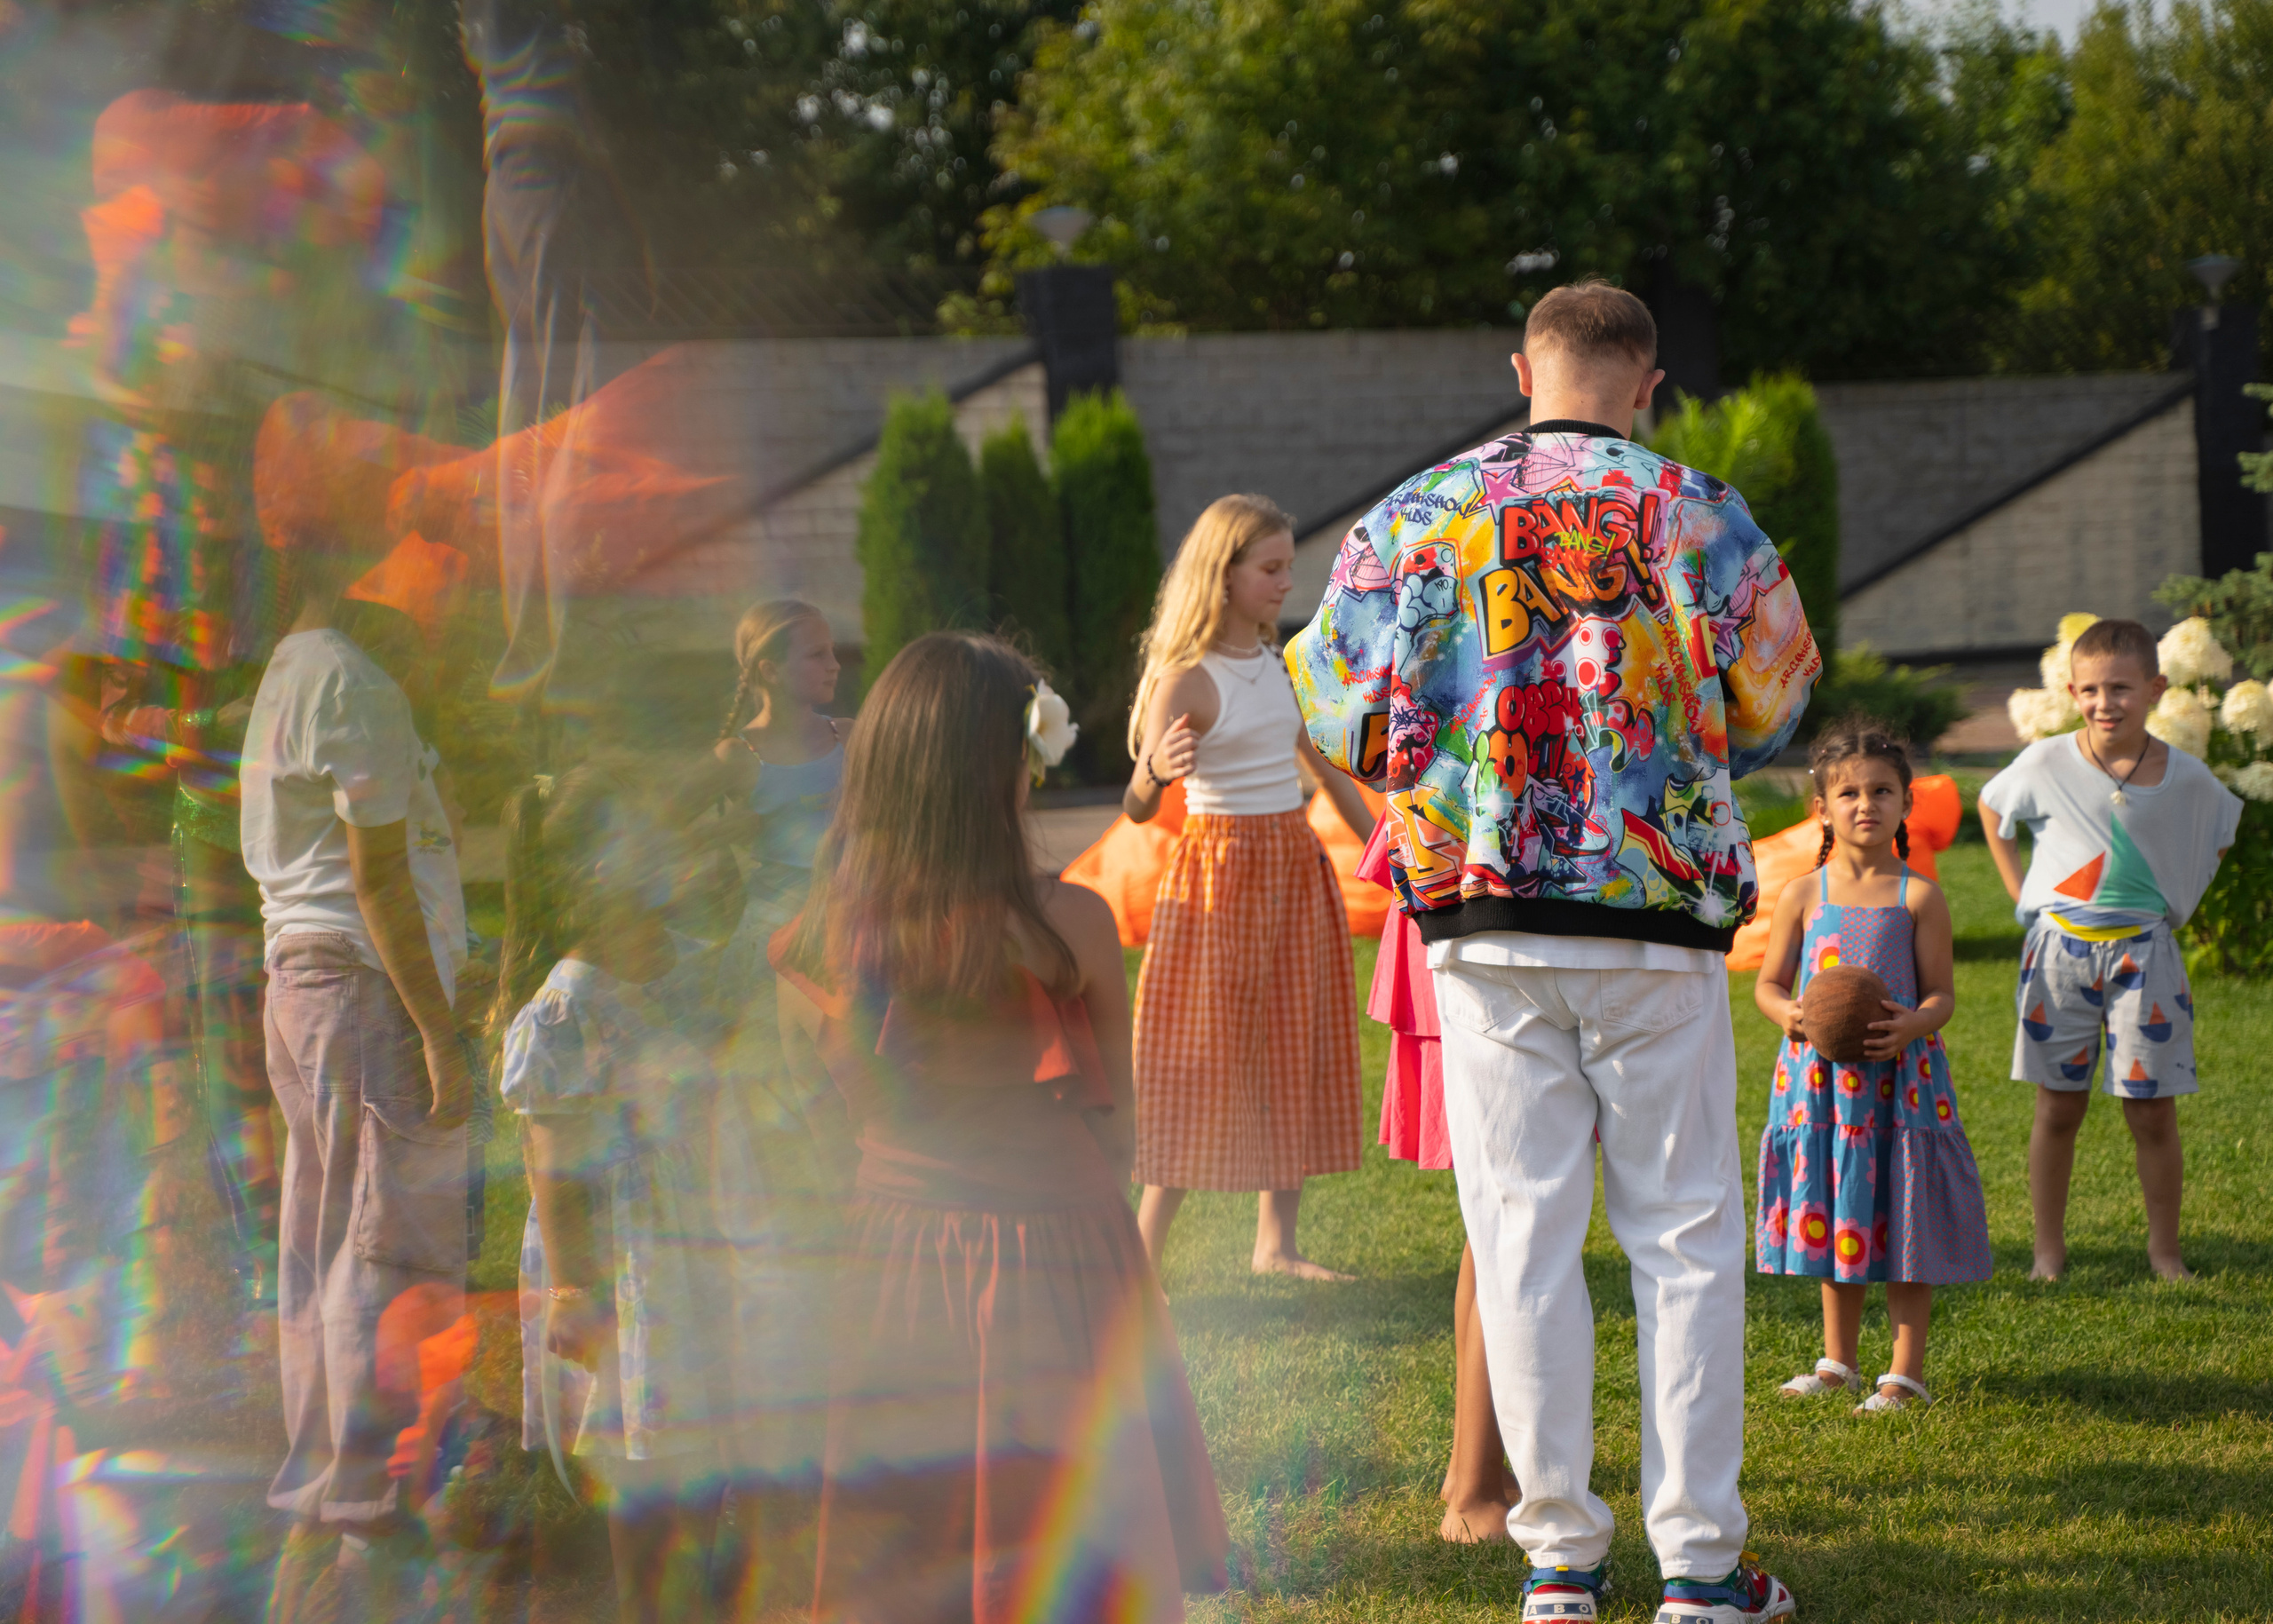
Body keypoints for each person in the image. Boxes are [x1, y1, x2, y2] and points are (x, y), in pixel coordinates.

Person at [1287, 278, 1819, 1623]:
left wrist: (1440, 746)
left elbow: (1337, 698)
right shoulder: (1702, 512)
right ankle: (1701, 1568)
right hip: (1652, 910)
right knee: (1686, 1237)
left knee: (1521, 1236)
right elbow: (1776, 693)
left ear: (1521, 368)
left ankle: (1559, 1563)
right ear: (1648, 383)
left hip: (1481, 908)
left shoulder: (1416, 511)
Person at [772, 632, 1229, 1623]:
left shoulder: (818, 937)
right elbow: (1120, 1123)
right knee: (1068, 1540)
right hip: (1061, 1255)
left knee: (911, 1529)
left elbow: (820, 1117)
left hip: (891, 1256)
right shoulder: (1072, 924)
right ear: (1005, 769)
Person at [239, 544, 478, 1619]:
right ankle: (368, 1507)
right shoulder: (355, 683)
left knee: (325, 1234)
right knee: (378, 1243)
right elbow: (378, 881)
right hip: (361, 988)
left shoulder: (294, 670)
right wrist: (440, 1028)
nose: (444, 622)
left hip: (304, 978)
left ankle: (327, 1482)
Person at [492, 764, 733, 1624]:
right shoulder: (569, 1005)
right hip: (627, 1261)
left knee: (702, 1460)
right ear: (597, 873)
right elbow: (554, 1171)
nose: (669, 846)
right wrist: (572, 1289)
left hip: (692, 1238)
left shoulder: (682, 963)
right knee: (642, 1471)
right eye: (648, 836)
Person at [1123, 494, 1374, 1281]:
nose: (1283, 583)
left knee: (1291, 1041)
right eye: (1269, 569)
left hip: (1295, 869)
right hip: (1219, 878)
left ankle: (1276, 1245)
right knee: (1203, 1060)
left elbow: (1325, 772)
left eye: (1286, 567)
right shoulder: (1186, 680)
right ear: (1221, 574)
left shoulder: (1278, 662)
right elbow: (1135, 805)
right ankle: (1141, 1259)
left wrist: (1386, 853)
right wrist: (1154, 770)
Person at [1979, 617, 2241, 1282]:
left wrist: (2178, 896)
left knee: (2151, 1109)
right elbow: (1992, 808)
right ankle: (2047, 1251)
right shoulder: (2045, 762)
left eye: (2121, 688)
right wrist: (2023, 894)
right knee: (2057, 1105)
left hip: (2145, 957)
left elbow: (2218, 829)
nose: (2105, 703)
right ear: (2072, 690)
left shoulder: (2185, 775)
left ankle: (2165, 1251)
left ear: (2154, 688)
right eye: (2091, 689)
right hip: (2059, 955)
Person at [1753, 720, 1992, 1413]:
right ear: (1819, 807)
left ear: (1906, 802)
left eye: (1882, 790)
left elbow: (1941, 994)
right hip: (1821, 1093)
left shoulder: (1918, 896)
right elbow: (1769, 985)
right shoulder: (1803, 893)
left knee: (1902, 1211)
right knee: (1840, 1211)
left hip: (1900, 1089)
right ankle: (1838, 1362)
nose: (1866, 803)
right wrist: (1790, 1015)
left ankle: (1904, 1372)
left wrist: (1913, 1023)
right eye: (1849, 792)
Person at [1357, 817, 1516, 1541]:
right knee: (1507, 1215)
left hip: (1447, 871)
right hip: (1474, 892)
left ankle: (1478, 1464)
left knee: (1500, 1214)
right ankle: (1475, 1484)